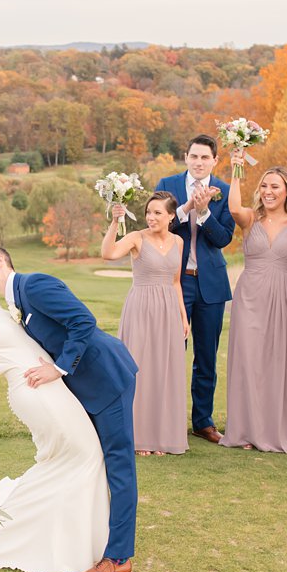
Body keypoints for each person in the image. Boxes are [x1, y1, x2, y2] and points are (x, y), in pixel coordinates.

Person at [0, 247, 109, 572]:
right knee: (85, 455)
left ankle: (76, 537)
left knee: (72, 459)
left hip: (49, 381)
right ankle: (22, 535)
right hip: (34, 391)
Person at [0, 247, 139, 572]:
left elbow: (82, 321)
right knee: (93, 460)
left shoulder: (34, 285)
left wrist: (59, 368)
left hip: (107, 379)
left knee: (118, 466)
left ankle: (119, 560)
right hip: (86, 389)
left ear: (1, 261)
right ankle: (92, 539)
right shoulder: (16, 303)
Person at [220, 160, 287, 453]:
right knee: (249, 360)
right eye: (264, 186)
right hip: (250, 295)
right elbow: (233, 207)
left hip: (283, 295)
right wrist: (236, 169)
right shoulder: (250, 219)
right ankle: (247, 430)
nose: (268, 191)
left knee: (277, 360)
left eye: (275, 186)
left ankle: (275, 428)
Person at [155, 135, 235, 444]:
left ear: (215, 160)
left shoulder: (225, 191)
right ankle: (169, 419)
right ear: (185, 157)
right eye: (194, 156)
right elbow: (159, 229)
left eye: (205, 157)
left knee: (207, 356)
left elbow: (224, 238)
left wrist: (204, 214)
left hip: (211, 285)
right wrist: (188, 207)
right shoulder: (168, 184)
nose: (199, 162)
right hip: (175, 282)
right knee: (173, 352)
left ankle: (203, 420)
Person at [100, 192, 188, 456]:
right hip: (140, 308)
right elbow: (108, 253)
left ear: (171, 216)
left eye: (158, 213)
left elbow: (176, 282)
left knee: (164, 371)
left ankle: (161, 437)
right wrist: (115, 222)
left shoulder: (179, 241)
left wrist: (184, 318)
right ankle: (138, 438)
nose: (151, 217)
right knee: (138, 370)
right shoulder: (137, 237)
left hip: (169, 310)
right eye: (149, 212)